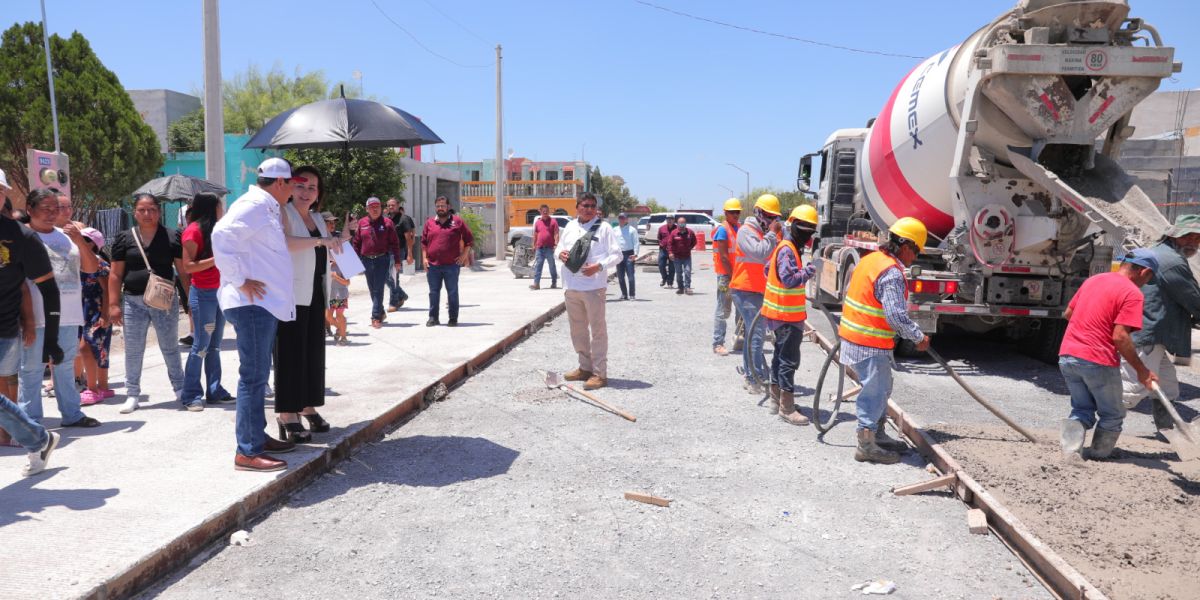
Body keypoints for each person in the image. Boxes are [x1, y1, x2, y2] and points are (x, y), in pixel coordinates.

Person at [211, 157, 300, 472]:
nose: (293, 189)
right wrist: (238, 279)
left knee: (258, 376)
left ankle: (255, 436)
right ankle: (247, 452)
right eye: (291, 183)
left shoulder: (266, 206)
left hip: (262, 304)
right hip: (252, 304)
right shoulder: (255, 205)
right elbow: (221, 236)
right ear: (280, 182)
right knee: (253, 377)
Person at [837, 217, 930, 464]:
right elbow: (895, 316)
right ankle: (866, 445)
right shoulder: (891, 272)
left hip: (857, 338)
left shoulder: (872, 260)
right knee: (874, 392)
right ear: (906, 246)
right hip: (869, 342)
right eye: (917, 251)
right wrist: (918, 337)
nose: (916, 257)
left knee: (882, 387)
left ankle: (877, 435)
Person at [1059, 249, 1159, 460]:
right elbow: (1120, 337)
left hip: (1068, 356)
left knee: (1081, 409)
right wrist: (1142, 371)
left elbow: (1069, 314)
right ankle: (1099, 455)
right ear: (1145, 272)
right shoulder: (1132, 293)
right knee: (1112, 414)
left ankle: (1070, 452)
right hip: (1098, 359)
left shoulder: (1093, 281)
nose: (1146, 284)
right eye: (1148, 279)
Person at [0, 174, 67, 473]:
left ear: (5, 196)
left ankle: (38, 439)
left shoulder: (21, 237)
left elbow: (48, 290)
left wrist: (50, 339)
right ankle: (39, 439)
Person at [17, 188, 101, 427]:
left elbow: (91, 268)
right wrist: (26, 317)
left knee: (64, 366)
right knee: (32, 369)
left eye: (57, 209)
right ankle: (31, 421)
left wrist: (79, 241)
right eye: (46, 209)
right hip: (35, 315)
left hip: (68, 314)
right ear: (30, 209)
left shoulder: (66, 236)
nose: (52, 214)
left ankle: (72, 414)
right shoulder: (22, 237)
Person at [276, 165, 341, 442]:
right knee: (290, 353)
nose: (306, 192)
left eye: (312, 187)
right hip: (290, 293)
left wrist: (337, 240)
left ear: (319, 193)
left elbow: (321, 246)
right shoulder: (283, 212)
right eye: (300, 186)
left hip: (315, 290)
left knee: (313, 351)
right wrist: (320, 240)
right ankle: (286, 413)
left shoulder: (316, 217)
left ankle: (307, 405)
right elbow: (284, 243)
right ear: (290, 187)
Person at [109, 193, 188, 414]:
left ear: (159, 211)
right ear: (134, 212)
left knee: (170, 347)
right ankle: (132, 394)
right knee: (133, 350)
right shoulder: (124, 238)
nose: (147, 214)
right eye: (142, 210)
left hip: (164, 301)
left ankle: (180, 390)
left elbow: (182, 272)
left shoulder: (173, 236)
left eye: (152, 209)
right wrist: (113, 304)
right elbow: (115, 274)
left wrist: (190, 300)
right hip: (133, 301)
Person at [1119, 215, 1200, 429]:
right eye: (1188, 236)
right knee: (1131, 390)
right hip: (1148, 334)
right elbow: (1193, 297)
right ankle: (1092, 430)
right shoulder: (1171, 261)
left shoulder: (1161, 252)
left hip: (1154, 333)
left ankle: (1166, 433)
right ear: (1174, 235)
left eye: (1198, 238)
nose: (1193, 242)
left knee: (1167, 386)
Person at [556, 192, 623, 390]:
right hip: (571, 286)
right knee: (577, 330)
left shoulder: (604, 228)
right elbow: (558, 247)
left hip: (594, 288)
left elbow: (617, 255)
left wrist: (599, 266)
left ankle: (599, 373)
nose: (589, 209)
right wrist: (560, 253)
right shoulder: (569, 226)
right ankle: (584, 367)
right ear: (577, 207)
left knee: (598, 331)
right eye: (585, 205)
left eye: (592, 206)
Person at [762, 206, 819, 425]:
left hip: (780, 315)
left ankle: (776, 400)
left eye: (810, 231)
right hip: (786, 316)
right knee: (788, 360)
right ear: (794, 226)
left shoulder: (785, 247)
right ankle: (787, 407)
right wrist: (809, 271)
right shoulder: (787, 249)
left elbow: (768, 270)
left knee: (779, 357)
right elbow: (788, 279)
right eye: (805, 231)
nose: (808, 235)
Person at [179, 192, 234, 411]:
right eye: (220, 206)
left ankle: (214, 389)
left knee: (215, 346)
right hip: (203, 294)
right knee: (200, 345)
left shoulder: (218, 230)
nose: (223, 210)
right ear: (212, 208)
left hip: (220, 292)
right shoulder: (193, 232)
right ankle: (191, 394)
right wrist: (216, 259)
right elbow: (188, 266)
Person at [731, 194, 782, 393]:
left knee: (754, 335)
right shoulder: (747, 231)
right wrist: (772, 234)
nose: (771, 220)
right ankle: (754, 377)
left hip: (757, 290)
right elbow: (759, 253)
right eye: (768, 215)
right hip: (745, 290)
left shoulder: (762, 232)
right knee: (757, 335)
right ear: (759, 213)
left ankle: (751, 374)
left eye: (774, 216)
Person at [421, 196, 474, 326]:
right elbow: (424, 243)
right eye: (438, 206)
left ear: (448, 207)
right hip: (433, 265)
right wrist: (424, 258)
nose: (440, 208)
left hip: (452, 265)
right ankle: (433, 317)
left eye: (443, 206)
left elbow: (469, 240)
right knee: (433, 292)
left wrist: (463, 255)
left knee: (452, 292)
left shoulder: (457, 222)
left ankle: (453, 318)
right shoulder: (429, 223)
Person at [352, 197, 401, 329]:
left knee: (378, 288)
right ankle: (381, 311)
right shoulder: (362, 223)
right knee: (371, 289)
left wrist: (397, 260)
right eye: (372, 207)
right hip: (366, 260)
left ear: (381, 208)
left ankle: (375, 317)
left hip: (382, 259)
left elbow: (395, 243)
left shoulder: (388, 223)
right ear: (367, 209)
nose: (375, 209)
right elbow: (356, 243)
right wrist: (354, 261)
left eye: (377, 207)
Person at [77, 227, 113, 405]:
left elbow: (108, 289)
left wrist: (106, 314)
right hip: (81, 311)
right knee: (99, 348)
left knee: (87, 346)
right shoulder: (76, 262)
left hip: (97, 310)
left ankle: (92, 389)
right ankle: (103, 387)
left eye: (82, 239)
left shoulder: (100, 264)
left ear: (91, 244)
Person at [712, 198, 741, 355]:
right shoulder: (723, 230)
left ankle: (739, 340)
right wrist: (732, 276)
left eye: (738, 212)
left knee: (740, 309)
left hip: (737, 274)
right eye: (732, 212)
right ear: (726, 213)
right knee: (722, 309)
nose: (735, 215)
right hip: (726, 275)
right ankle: (718, 343)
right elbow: (724, 257)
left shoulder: (738, 227)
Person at [384, 198, 414, 310]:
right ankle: (401, 295)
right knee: (385, 276)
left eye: (393, 205)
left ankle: (393, 302)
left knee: (392, 276)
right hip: (385, 252)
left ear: (398, 205)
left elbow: (409, 237)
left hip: (398, 251)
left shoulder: (404, 219)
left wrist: (410, 253)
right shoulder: (386, 219)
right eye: (389, 205)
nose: (391, 207)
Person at [530, 204, 560, 290]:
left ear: (548, 211)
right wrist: (533, 245)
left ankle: (554, 282)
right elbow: (535, 235)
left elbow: (556, 233)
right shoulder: (538, 222)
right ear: (540, 212)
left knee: (552, 266)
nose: (545, 212)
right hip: (540, 248)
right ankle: (536, 284)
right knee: (538, 266)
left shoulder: (553, 221)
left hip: (549, 248)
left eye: (546, 211)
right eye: (543, 211)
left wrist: (556, 244)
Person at [668, 216, 697, 295]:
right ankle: (680, 288)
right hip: (677, 257)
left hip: (687, 256)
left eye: (683, 223)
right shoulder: (674, 233)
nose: (682, 224)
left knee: (687, 271)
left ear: (685, 223)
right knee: (679, 273)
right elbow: (669, 244)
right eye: (680, 223)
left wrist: (689, 248)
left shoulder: (690, 232)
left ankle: (687, 287)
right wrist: (670, 253)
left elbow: (694, 242)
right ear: (677, 223)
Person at [615, 213, 638, 300]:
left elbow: (636, 242)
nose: (621, 219)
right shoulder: (615, 230)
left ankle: (632, 294)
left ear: (627, 219)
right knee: (620, 277)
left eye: (623, 218)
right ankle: (624, 294)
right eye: (620, 218)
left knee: (631, 276)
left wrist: (635, 254)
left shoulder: (632, 230)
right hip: (619, 255)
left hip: (629, 254)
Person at [656, 217, 676, 288]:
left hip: (673, 251)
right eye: (668, 219)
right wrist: (661, 243)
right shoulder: (661, 228)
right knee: (661, 265)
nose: (669, 220)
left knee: (672, 268)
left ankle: (670, 283)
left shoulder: (677, 228)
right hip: (663, 250)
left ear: (674, 220)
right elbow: (659, 238)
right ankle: (664, 278)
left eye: (671, 219)